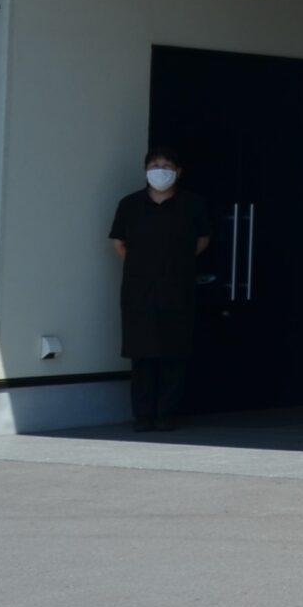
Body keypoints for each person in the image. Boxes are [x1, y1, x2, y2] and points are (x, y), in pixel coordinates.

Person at [109, 146, 210, 432]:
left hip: (178, 289)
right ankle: (142, 417)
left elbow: (203, 240)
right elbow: (118, 242)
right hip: (138, 290)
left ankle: (166, 415)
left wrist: (176, 263)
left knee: (173, 354)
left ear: (178, 171)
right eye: (154, 164)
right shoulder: (130, 204)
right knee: (142, 355)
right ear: (145, 170)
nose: (160, 169)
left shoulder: (192, 204)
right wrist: (143, 266)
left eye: (166, 165)